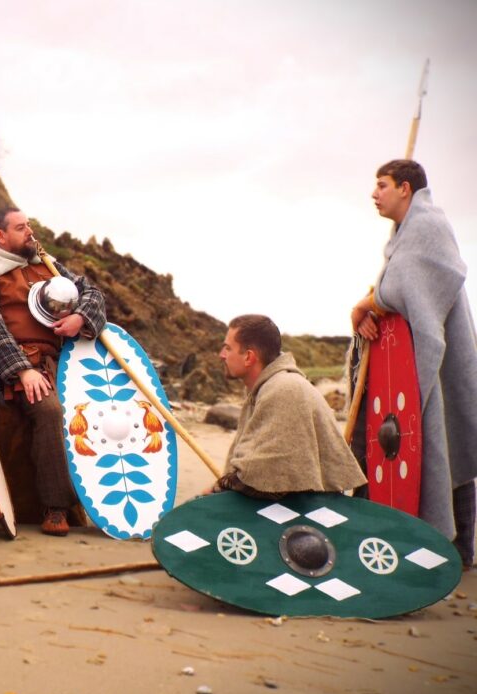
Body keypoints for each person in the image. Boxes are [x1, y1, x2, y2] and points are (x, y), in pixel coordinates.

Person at [350, 159, 477, 566]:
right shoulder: (404, 234)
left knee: (444, 441)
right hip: (413, 359)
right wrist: (374, 311)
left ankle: (457, 550)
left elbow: (401, 284)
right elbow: (394, 287)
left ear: (406, 189)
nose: (374, 194)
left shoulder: (429, 225)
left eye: (382, 185)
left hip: (437, 361)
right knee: (418, 442)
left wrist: (363, 305)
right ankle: (431, 546)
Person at [0, 208, 106, 535]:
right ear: (1, 236)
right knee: (50, 410)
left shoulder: (47, 265)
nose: (30, 232)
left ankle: (105, 502)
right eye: (21, 227)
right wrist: (23, 371)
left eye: (30, 226)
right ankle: (56, 507)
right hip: (15, 365)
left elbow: (92, 293)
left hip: (64, 362)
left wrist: (80, 318)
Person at [202, 314, 366, 498]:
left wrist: (215, 490)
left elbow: (260, 475)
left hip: (306, 513)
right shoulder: (268, 386)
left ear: (248, 357)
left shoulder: (284, 388)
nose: (221, 355)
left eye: (228, 348)